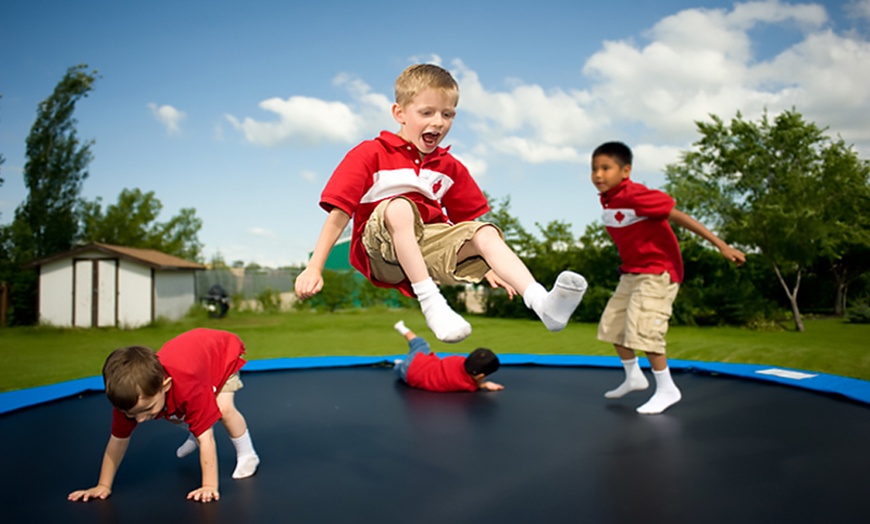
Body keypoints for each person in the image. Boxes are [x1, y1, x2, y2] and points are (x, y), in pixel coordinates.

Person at [295, 63, 587, 344]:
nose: (438, 122)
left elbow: (466, 228)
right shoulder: (370, 154)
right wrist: (314, 267)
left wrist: (488, 266)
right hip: (379, 251)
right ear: (399, 113)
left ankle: (542, 304)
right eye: (427, 112)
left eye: (447, 114)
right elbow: (340, 211)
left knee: (485, 231)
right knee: (399, 207)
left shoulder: (449, 167)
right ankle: (433, 303)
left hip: (425, 248)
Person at [591, 141, 746, 414]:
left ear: (625, 171)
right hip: (632, 273)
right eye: (594, 169)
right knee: (613, 327)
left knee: (647, 333)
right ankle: (634, 376)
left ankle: (667, 388)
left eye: (606, 168)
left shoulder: (636, 195)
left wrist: (721, 245)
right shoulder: (609, 200)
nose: (598, 175)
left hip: (657, 272)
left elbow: (679, 217)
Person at [68, 328, 260, 504]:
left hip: (220, 353)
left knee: (222, 409)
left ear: (165, 385)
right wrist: (103, 485)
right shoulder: (129, 401)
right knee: (172, 410)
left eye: (146, 409)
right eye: (132, 414)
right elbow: (117, 441)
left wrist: (209, 486)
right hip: (194, 360)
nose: (140, 419)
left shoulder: (188, 387)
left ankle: (247, 454)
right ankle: (194, 426)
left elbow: (207, 439)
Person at [392, 320, 503, 392]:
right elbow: (477, 385)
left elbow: (442, 362)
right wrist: (485, 385)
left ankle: (402, 328)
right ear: (480, 376)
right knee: (399, 369)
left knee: (420, 344)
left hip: (419, 361)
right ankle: (399, 364)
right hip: (410, 376)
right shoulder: (467, 386)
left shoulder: (457, 360)